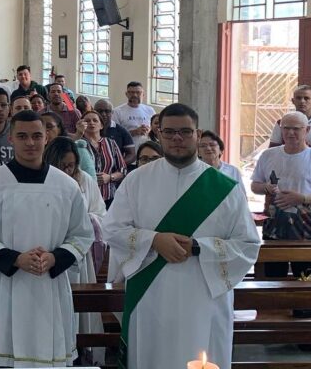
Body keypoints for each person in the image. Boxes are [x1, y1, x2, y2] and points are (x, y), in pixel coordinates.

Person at [104, 103, 260, 369]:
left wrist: (199, 247)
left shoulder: (225, 188)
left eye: (185, 132)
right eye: (170, 132)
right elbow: (113, 230)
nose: (177, 138)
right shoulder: (136, 181)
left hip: (203, 298)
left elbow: (247, 245)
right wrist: (154, 240)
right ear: (159, 134)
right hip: (150, 295)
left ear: (198, 135)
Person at [0, 110, 93, 368]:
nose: (31, 143)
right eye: (22, 136)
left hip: (50, 285)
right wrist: (16, 259)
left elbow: (82, 233)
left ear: (47, 137)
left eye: (37, 136)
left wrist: (55, 257)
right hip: (5, 286)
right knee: (4, 355)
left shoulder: (66, 185)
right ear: (11, 139)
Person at [251, 111, 311, 275]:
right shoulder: (268, 155)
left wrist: (302, 198)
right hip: (274, 230)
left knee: (305, 281)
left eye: (296, 129)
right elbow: (254, 186)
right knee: (273, 282)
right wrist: (266, 188)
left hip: (305, 232)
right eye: (286, 128)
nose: (290, 133)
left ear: (307, 130)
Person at [43, 137, 106, 364]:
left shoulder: (85, 180)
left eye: (71, 165)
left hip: (78, 253)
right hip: (50, 254)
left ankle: (81, 355)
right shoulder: (42, 180)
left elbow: (100, 213)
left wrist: (85, 219)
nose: (67, 171)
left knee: (78, 308)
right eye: (62, 166)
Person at [79, 110, 129, 207]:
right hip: (85, 197)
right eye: (87, 121)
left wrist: (110, 177)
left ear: (101, 125)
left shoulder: (111, 143)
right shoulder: (78, 144)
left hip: (109, 197)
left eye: (95, 120)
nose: (91, 123)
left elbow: (123, 170)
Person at [269, 85, 311, 153]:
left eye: (306, 98)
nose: (302, 101)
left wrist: (309, 152)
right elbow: (272, 150)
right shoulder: (282, 123)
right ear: (293, 101)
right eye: (298, 98)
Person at [199, 130, 246, 195]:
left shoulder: (233, 171)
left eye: (212, 145)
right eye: (203, 146)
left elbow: (241, 198)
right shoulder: (194, 171)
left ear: (221, 150)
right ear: (198, 152)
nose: (208, 148)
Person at [113, 82, 156, 149]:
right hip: (128, 150)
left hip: (147, 149)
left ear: (143, 94)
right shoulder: (117, 111)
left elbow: (157, 129)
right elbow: (115, 135)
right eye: (131, 92)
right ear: (126, 94)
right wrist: (134, 132)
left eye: (138, 92)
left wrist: (149, 130)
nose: (135, 95)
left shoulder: (150, 110)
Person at [93, 99, 136, 164]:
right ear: (94, 111)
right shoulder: (87, 129)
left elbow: (132, 154)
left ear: (112, 112)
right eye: (100, 111)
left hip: (114, 172)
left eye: (107, 111)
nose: (103, 114)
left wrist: (119, 165)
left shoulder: (121, 131)